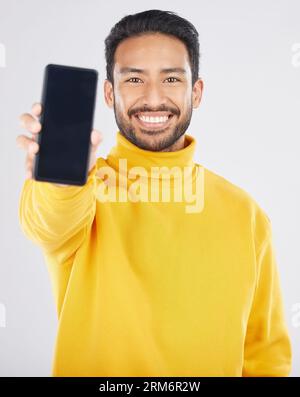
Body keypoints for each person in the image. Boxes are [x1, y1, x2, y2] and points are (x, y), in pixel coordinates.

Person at [16, 9, 292, 376]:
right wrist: (61, 182)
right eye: (134, 79)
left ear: (196, 91)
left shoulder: (247, 214)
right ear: (110, 93)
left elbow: (265, 359)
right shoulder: (81, 193)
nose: (153, 98)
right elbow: (48, 224)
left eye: (171, 78)